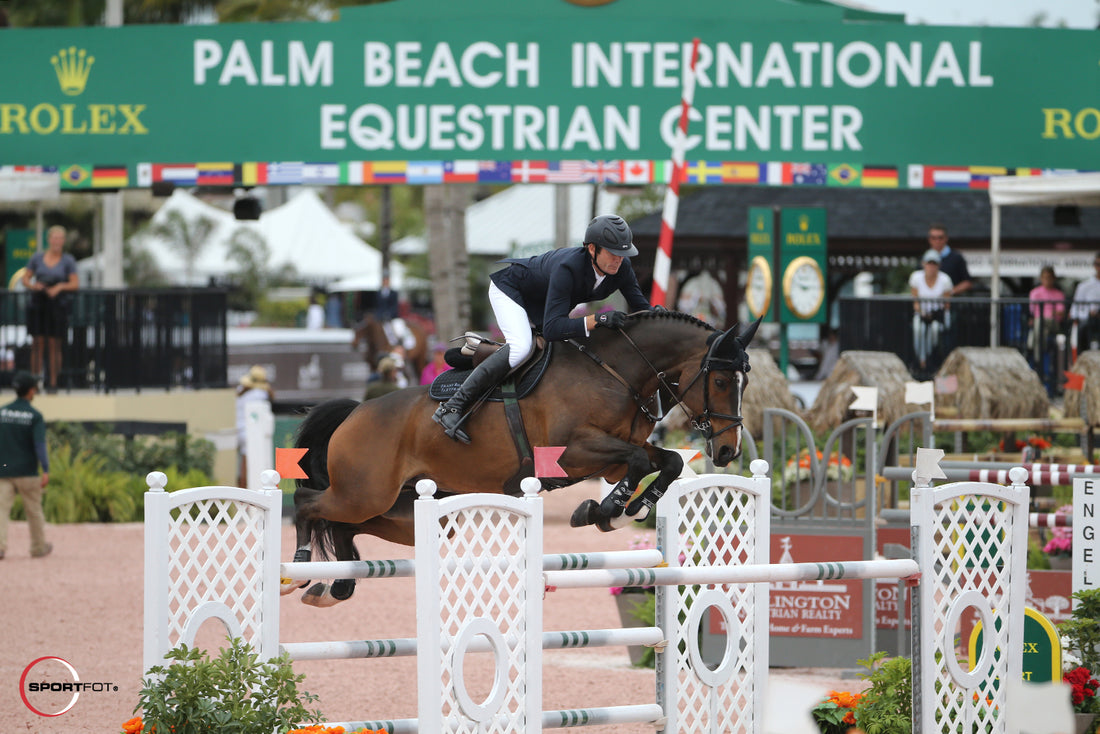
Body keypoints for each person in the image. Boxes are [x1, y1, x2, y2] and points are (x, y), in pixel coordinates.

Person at [433, 214, 652, 443]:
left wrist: (670, 318)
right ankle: (452, 407)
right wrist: (596, 320)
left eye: (623, 254)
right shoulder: (568, 267)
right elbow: (552, 329)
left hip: (541, 304)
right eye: (613, 252)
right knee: (521, 347)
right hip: (510, 290)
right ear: (592, 249)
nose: (619, 259)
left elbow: (642, 309)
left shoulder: (622, 269)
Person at [0, 371, 52, 560]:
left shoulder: (2, 412)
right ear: (31, 391)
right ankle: (38, 547)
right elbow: (39, 444)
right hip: (28, 472)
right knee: (34, 511)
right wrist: (45, 469)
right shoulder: (34, 415)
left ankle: (0, 546)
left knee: (1, 510)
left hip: (3, 470)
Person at [22, 225, 79, 393]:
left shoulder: (68, 260)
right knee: (37, 344)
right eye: (54, 238)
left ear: (63, 241)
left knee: (55, 344)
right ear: (49, 239)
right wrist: (35, 286)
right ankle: (34, 382)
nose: (57, 241)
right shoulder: (37, 258)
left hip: (57, 307)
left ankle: (53, 383)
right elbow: (25, 278)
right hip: (38, 304)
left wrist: (59, 287)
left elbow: (75, 283)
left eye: (60, 238)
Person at [909, 249, 954, 374]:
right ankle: (921, 358)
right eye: (929, 263)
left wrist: (934, 315)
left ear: (938, 265)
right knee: (919, 329)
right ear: (923, 264)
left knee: (933, 330)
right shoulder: (916, 277)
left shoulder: (945, 280)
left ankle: (930, 358)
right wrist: (923, 313)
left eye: (934, 264)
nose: (931, 267)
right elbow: (915, 302)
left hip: (938, 316)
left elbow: (946, 304)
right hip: (922, 314)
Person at [236, 365, 274, 488]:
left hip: (240, 430)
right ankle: (244, 496)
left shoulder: (241, 390)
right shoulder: (259, 394)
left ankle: (242, 495)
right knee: (249, 468)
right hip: (250, 432)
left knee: (243, 465)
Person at [926, 223, 971, 296]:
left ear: (946, 238)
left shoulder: (956, 258)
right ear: (929, 239)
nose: (937, 241)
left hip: (952, 303)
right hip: (928, 305)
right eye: (933, 238)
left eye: (940, 238)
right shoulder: (924, 258)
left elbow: (967, 282)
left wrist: (949, 292)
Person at [1070, 254, 1100, 352]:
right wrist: (1088, 313)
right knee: (1083, 328)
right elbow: (1075, 309)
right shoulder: (1084, 286)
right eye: (1097, 264)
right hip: (1088, 323)